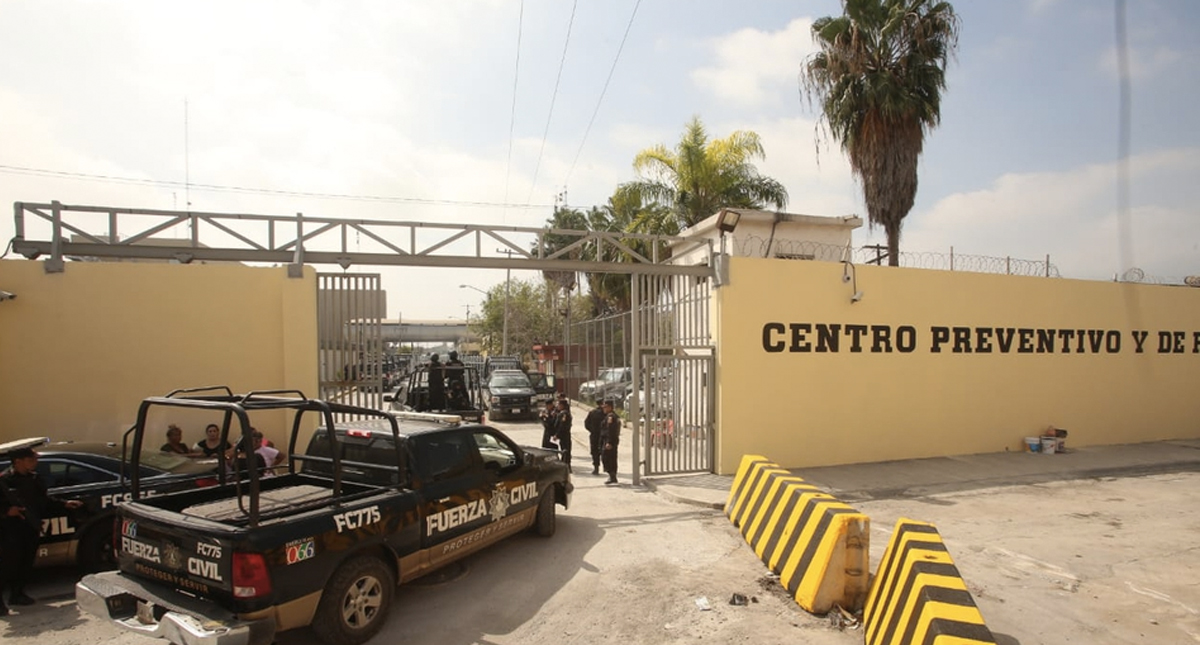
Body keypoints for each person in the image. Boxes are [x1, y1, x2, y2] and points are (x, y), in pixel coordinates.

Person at [0, 447, 84, 613]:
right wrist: (6, 512)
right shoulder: (4, 481)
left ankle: (17, 594)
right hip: (9, 529)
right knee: (8, 566)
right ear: (18, 461)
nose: (35, 463)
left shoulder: (34, 479)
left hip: (30, 526)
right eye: (31, 459)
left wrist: (64, 504)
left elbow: (43, 501)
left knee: (25, 563)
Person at [600, 400, 621, 485]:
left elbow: (610, 431)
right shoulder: (609, 416)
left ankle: (612, 476)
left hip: (610, 441)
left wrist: (609, 442)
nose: (603, 409)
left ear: (609, 407)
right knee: (608, 457)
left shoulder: (611, 417)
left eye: (605, 407)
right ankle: (612, 476)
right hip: (609, 440)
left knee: (608, 458)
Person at [584, 399, 607, 476]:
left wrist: (592, 430)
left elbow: (586, 423)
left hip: (594, 435)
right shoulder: (605, 413)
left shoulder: (592, 412)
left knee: (595, 452)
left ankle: (596, 467)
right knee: (604, 451)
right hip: (603, 435)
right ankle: (606, 468)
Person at [553, 398, 573, 472]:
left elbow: (562, 426)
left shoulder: (564, 414)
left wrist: (557, 435)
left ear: (562, 405)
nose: (557, 406)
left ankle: (567, 466)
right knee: (564, 450)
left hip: (564, 435)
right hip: (564, 436)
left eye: (558, 404)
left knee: (565, 451)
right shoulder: (561, 413)